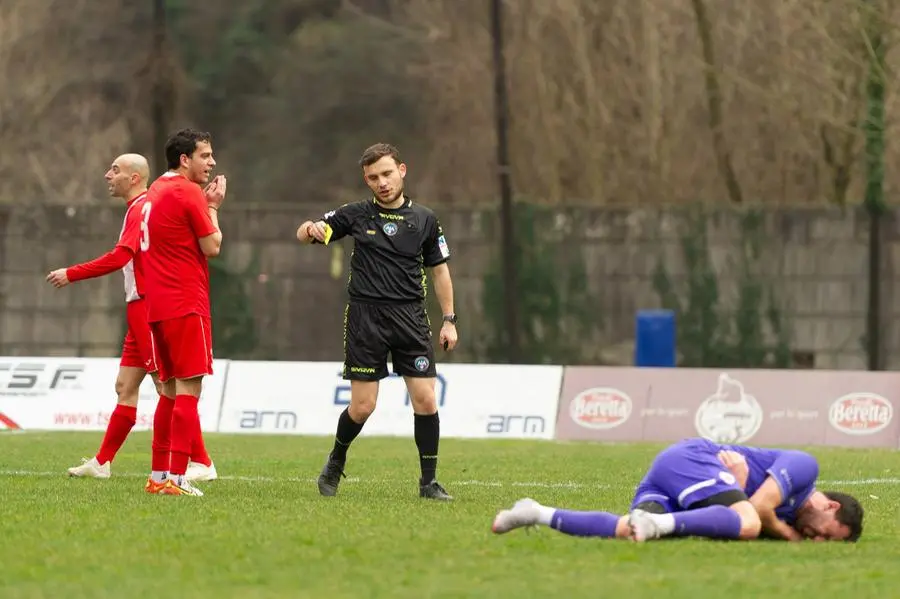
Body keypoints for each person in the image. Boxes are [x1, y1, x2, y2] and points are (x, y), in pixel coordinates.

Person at [296, 143, 458, 501]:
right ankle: (335, 463)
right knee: (363, 406)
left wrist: (449, 319)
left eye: (387, 173)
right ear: (366, 180)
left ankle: (428, 482)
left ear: (402, 169)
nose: (382, 182)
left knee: (426, 400)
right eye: (373, 177)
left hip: (411, 318)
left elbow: (441, 271)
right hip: (365, 318)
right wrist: (309, 229)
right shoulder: (355, 214)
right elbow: (314, 231)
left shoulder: (426, 219)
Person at [47, 153, 217, 487]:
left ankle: (198, 462)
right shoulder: (141, 206)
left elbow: (120, 256)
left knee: (168, 385)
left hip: (149, 305)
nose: (107, 175)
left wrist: (72, 273)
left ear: (135, 177)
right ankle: (102, 461)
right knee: (126, 386)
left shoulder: (144, 207)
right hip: (136, 305)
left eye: (115, 170)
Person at [491, 437, 864, 542]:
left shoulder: (791, 518)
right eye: (829, 537)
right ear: (830, 506)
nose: (819, 542)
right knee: (749, 522)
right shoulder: (804, 468)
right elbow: (758, 506)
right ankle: (661, 525)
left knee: (629, 529)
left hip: (674, 484)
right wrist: (784, 533)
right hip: (692, 459)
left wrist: (739, 488)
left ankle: (534, 512)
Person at [142, 128, 226, 497]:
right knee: (189, 390)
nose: (211, 163)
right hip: (186, 302)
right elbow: (212, 246)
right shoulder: (187, 191)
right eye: (205, 155)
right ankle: (178, 478)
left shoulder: (155, 190)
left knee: (170, 393)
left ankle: (158, 476)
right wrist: (213, 208)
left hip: (157, 304)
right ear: (184, 159)